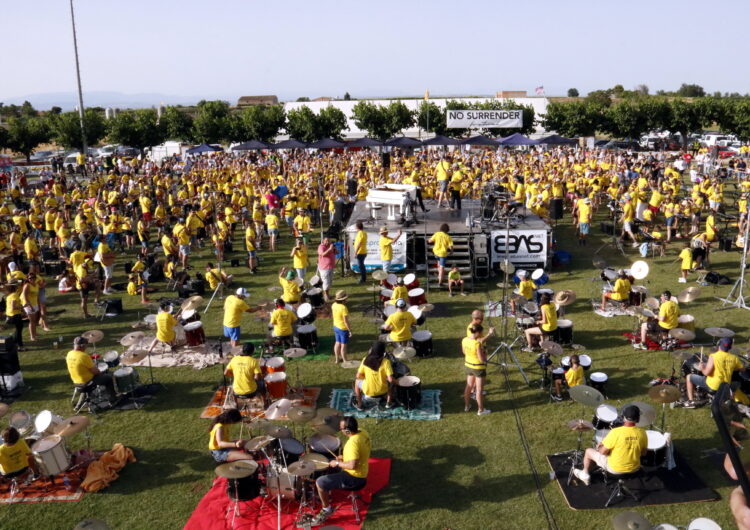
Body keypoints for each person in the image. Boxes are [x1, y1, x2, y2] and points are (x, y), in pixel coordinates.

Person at [313, 416, 370, 524]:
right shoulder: (363, 432)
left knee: (320, 482)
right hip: (363, 471)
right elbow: (358, 455)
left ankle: (327, 509)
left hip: (354, 478)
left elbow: (352, 466)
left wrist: (338, 463)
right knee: (332, 466)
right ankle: (329, 492)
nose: (340, 430)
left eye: (341, 428)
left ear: (347, 430)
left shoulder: (352, 444)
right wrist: (343, 458)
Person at [572, 405, 647, 486]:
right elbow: (643, 453)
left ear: (623, 417)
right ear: (638, 419)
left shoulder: (615, 432)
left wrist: (599, 447)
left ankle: (584, 474)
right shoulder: (643, 433)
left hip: (615, 469)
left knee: (588, 451)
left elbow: (603, 452)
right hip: (634, 468)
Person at [684, 337, 741, 408]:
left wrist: (702, 368)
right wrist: (731, 368)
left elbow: (706, 373)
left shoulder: (713, 356)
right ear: (730, 347)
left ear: (719, 345)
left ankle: (691, 402)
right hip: (725, 386)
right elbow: (742, 368)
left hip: (713, 386)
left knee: (689, 377)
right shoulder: (734, 358)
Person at [463, 323, 495, 415]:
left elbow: (464, 352)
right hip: (478, 368)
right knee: (479, 390)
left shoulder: (464, 340)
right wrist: (485, 355)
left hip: (468, 365)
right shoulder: (477, 344)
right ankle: (481, 410)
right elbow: (481, 359)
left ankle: (467, 406)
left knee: (468, 386)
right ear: (478, 332)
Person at [353, 341, 394, 410]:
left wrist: (365, 377)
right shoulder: (386, 362)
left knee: (357, 382)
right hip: (383, 390)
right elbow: (391, 380)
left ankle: (359, 404)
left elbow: (358, 376)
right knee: (391, 384)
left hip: (368, 390)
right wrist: (397, 381)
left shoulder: (365, 360)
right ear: (383, 352)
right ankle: (388, 403)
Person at [332, 290, 352, 363]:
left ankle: (337, 359)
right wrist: (350, 331)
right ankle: (345, 360)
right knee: (343, 345)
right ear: (344, 299)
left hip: (335, 326)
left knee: (337, 343)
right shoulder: (343, 308)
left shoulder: (333, 304)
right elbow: (345, 322)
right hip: (343, 329)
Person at [4, 283, 24, 351]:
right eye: (16, 286)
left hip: (10, 315)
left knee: (18, 330)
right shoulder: (14, 295)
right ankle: (20, 346)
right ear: (14, 287)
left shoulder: (9, 295)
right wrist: (22, 307)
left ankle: (15, 342)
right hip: (15, 315)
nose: (18, 286)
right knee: (19, 331)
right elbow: (13, 307)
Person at [317, 237, 337, 301]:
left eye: (328, 241)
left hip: (331, 267)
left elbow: (337, 252)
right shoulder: (321, 247)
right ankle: (326, 296)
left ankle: (327, 294)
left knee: (329, 282)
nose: (327, 242)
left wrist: (333, 249)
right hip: (324, 268)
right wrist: (329, 249)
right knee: (326, 282)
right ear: (323, 241)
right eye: (326, 241)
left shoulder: (330, 246)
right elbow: (323, 254)